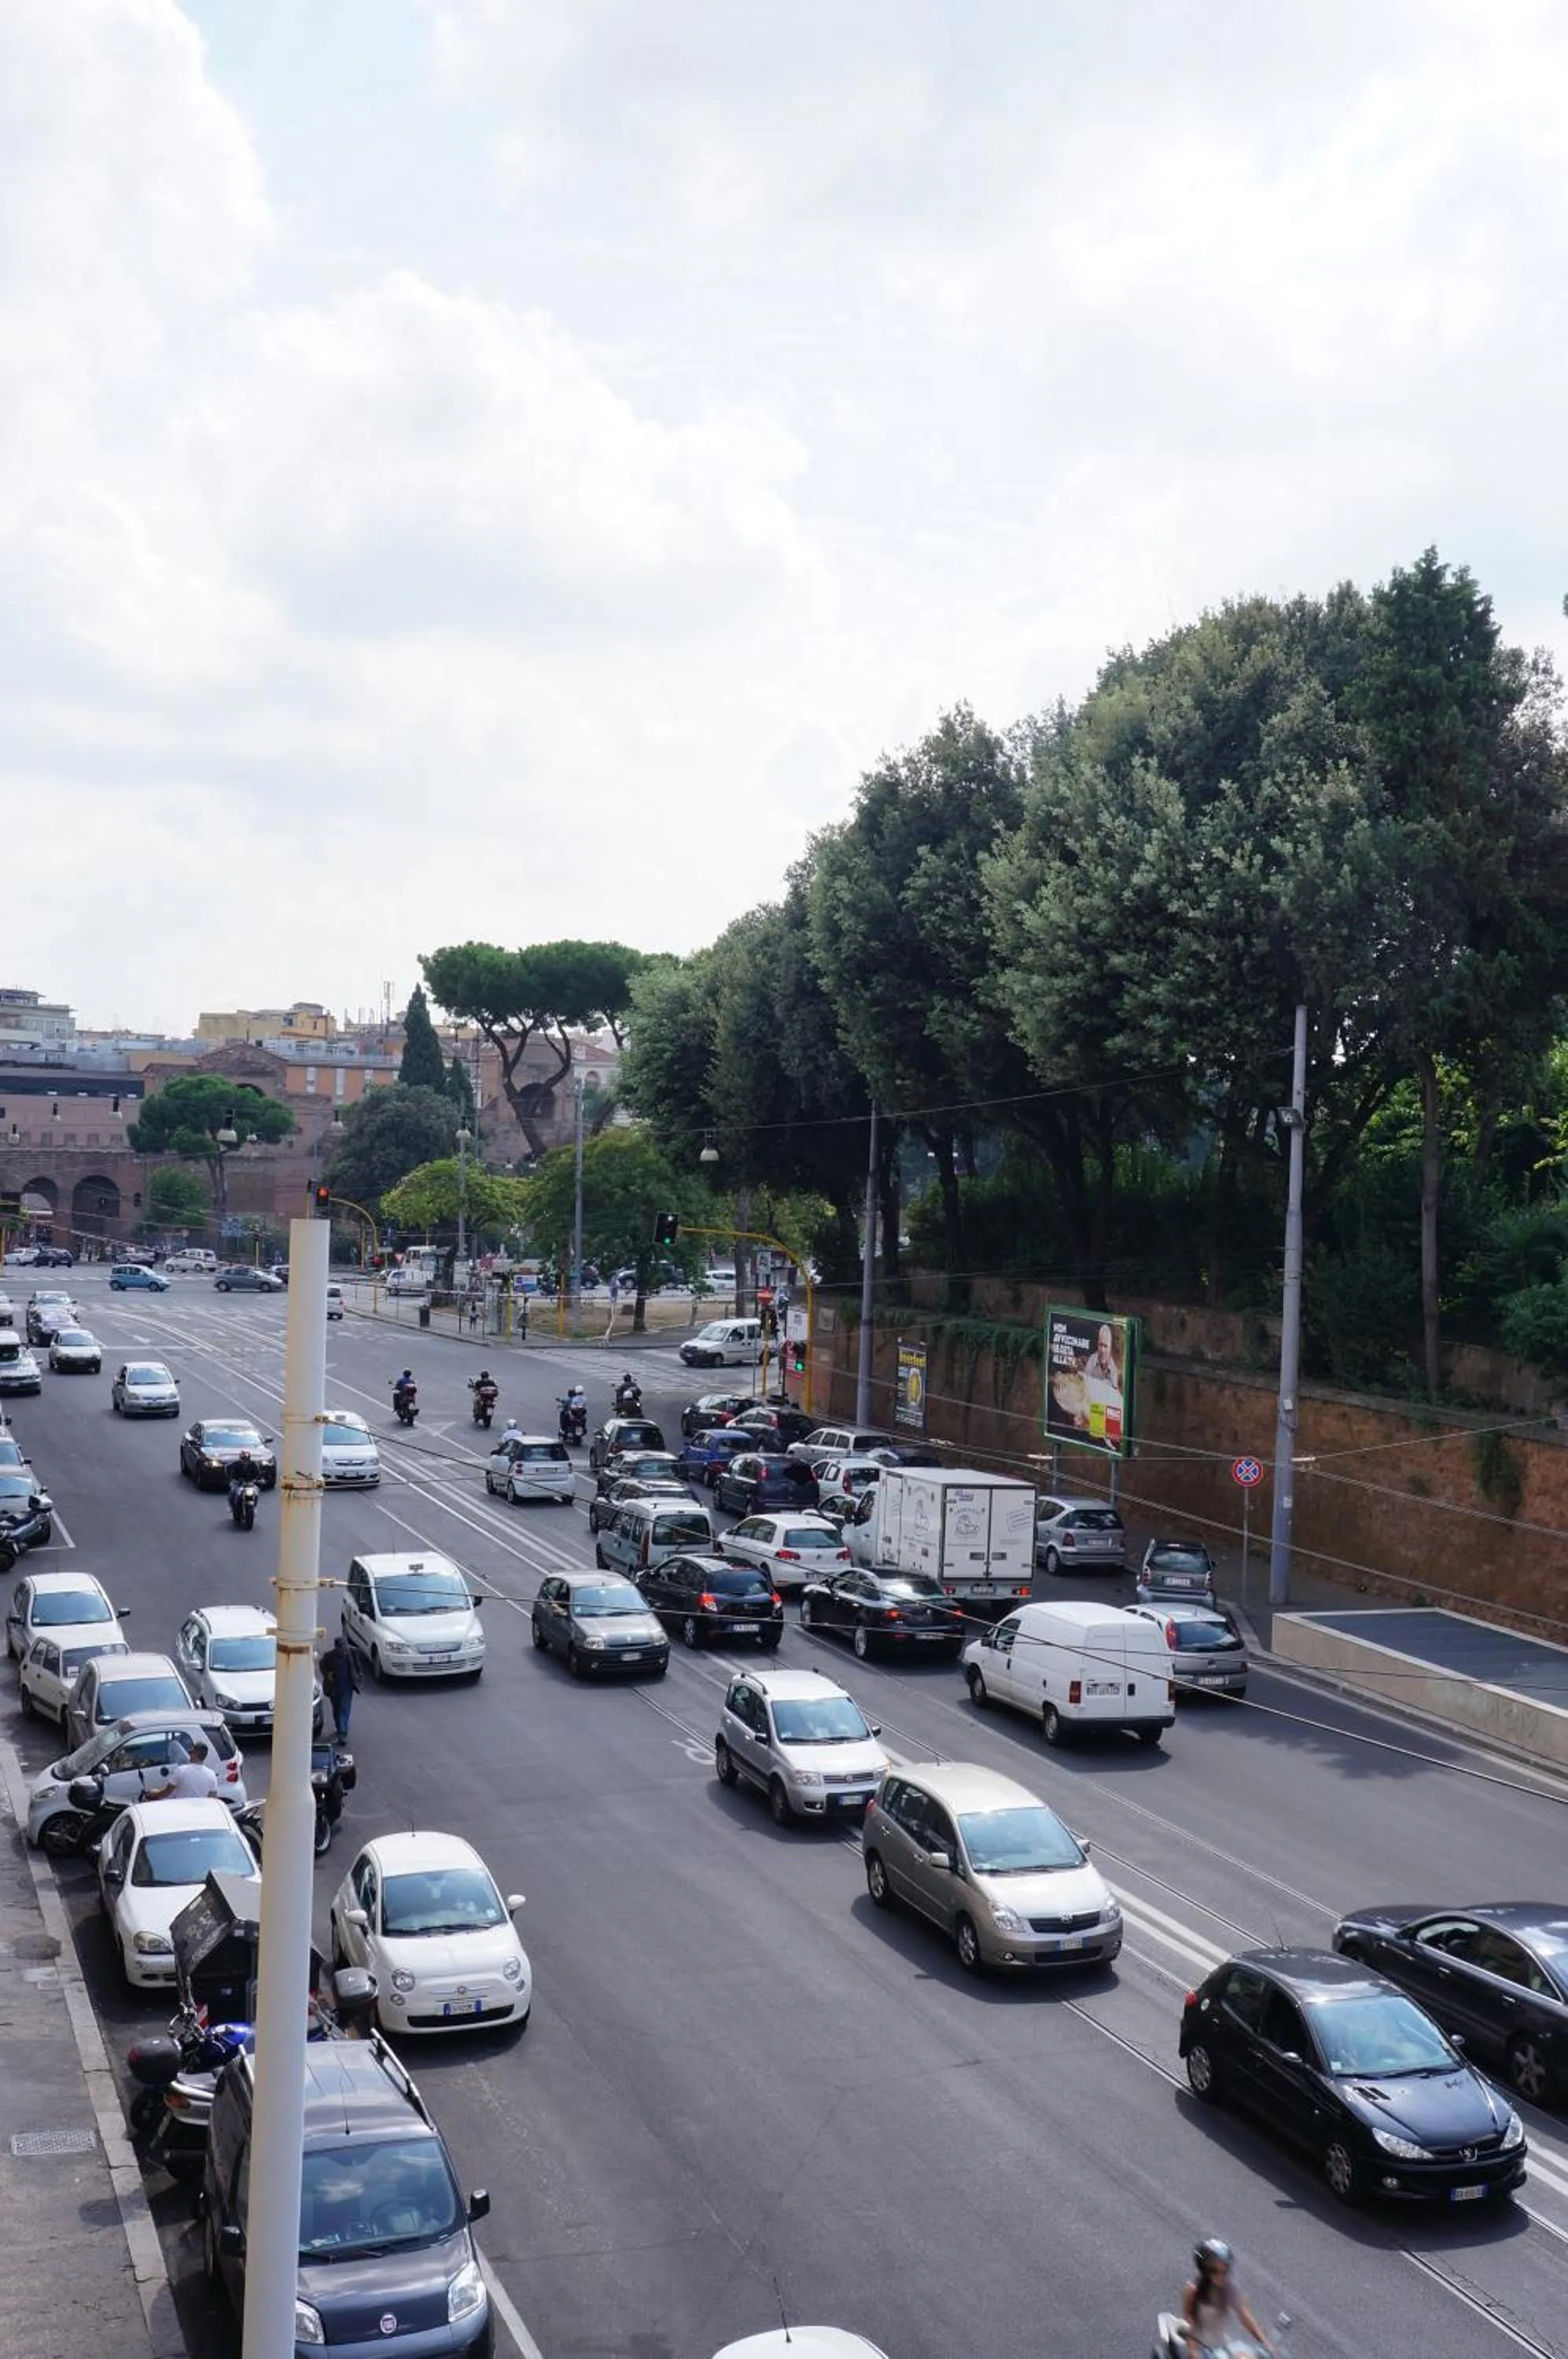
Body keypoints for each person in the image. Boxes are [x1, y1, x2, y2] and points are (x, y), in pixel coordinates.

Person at [1180, 2238, 1272, 2357]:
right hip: (1199, 2344)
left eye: (1225, 2270)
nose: (1221, 2275)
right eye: (1215, 2271)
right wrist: (1193, 2350)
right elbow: (1189, 2321)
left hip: (1221, 2342)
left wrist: (1265, 2342)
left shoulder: (1230, 2290)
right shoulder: (1193, 2291)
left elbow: (1246, 2317)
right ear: (1205, 2270)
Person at [142, 1738, 219, 1803]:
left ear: (194, 1754)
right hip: (200, 1813)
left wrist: (152, 1792)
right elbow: (212, 1800)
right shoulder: (212, 1775)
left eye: (190, 1752)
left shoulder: (181, 1770)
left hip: (181, 1811)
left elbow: (165, 1793)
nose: (189, 1754)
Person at [320, 1634, 359, 1742]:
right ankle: (339, 1728)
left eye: (345, 1646)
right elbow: (322, 1665)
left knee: (344, 1709)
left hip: (347, 1688)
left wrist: (358, 1677)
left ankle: (343, 1734)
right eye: (341, 1647)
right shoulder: (329, 1656)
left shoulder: (352, 1653)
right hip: (334, 1689)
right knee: (337, 1710)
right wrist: (328, 1674)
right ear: (336, 1647)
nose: (344, 1649)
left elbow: (357, 1666)